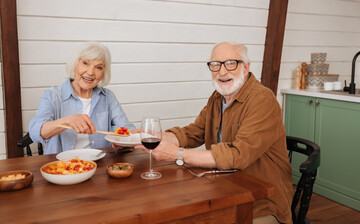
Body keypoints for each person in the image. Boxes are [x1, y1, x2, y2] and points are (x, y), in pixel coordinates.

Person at [136, 42, 293, 224]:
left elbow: (237, 156)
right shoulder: (218, 97)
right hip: (223, 189)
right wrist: (155, 136)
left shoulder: (263, 100)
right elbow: (193, 133)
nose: (222, 72)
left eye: (230, 63)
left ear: (246, 67)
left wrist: (177, 154)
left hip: (261, 202)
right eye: (215, 65)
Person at [29, 42, 135, 154]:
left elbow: (125, 128)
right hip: (61, 168)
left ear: (103, 73)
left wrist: (123, 140)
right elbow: (35, 132)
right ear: (75, 64)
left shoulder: (108, 97)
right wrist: (68, 121)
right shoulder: (53, 95)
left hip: (100, 165)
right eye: (85, 63)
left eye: (98, 67)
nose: (90, 72)